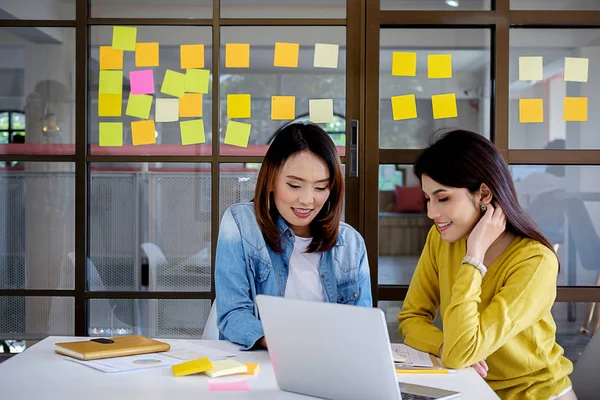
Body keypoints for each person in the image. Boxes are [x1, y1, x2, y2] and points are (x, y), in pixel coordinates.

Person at [398, 129, 576, 400]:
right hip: (470, 388)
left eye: (443, 198)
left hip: (533, 393)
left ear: (483, 194)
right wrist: (444, 346)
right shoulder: (440, 239)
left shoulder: (535, 261)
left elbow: (462, 352)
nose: (431, 213)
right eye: (428, 198)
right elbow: (412, 318)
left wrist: (473, 257)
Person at [215, 122, 372, 350]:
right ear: (271, 180)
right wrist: (288, 344)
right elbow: (233, 314)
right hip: (261, 363)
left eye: (320, 188)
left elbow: (363, 327)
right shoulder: (240, 223)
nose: (307, 200)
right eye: (294, 185)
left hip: (331, 366)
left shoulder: (351, 243)